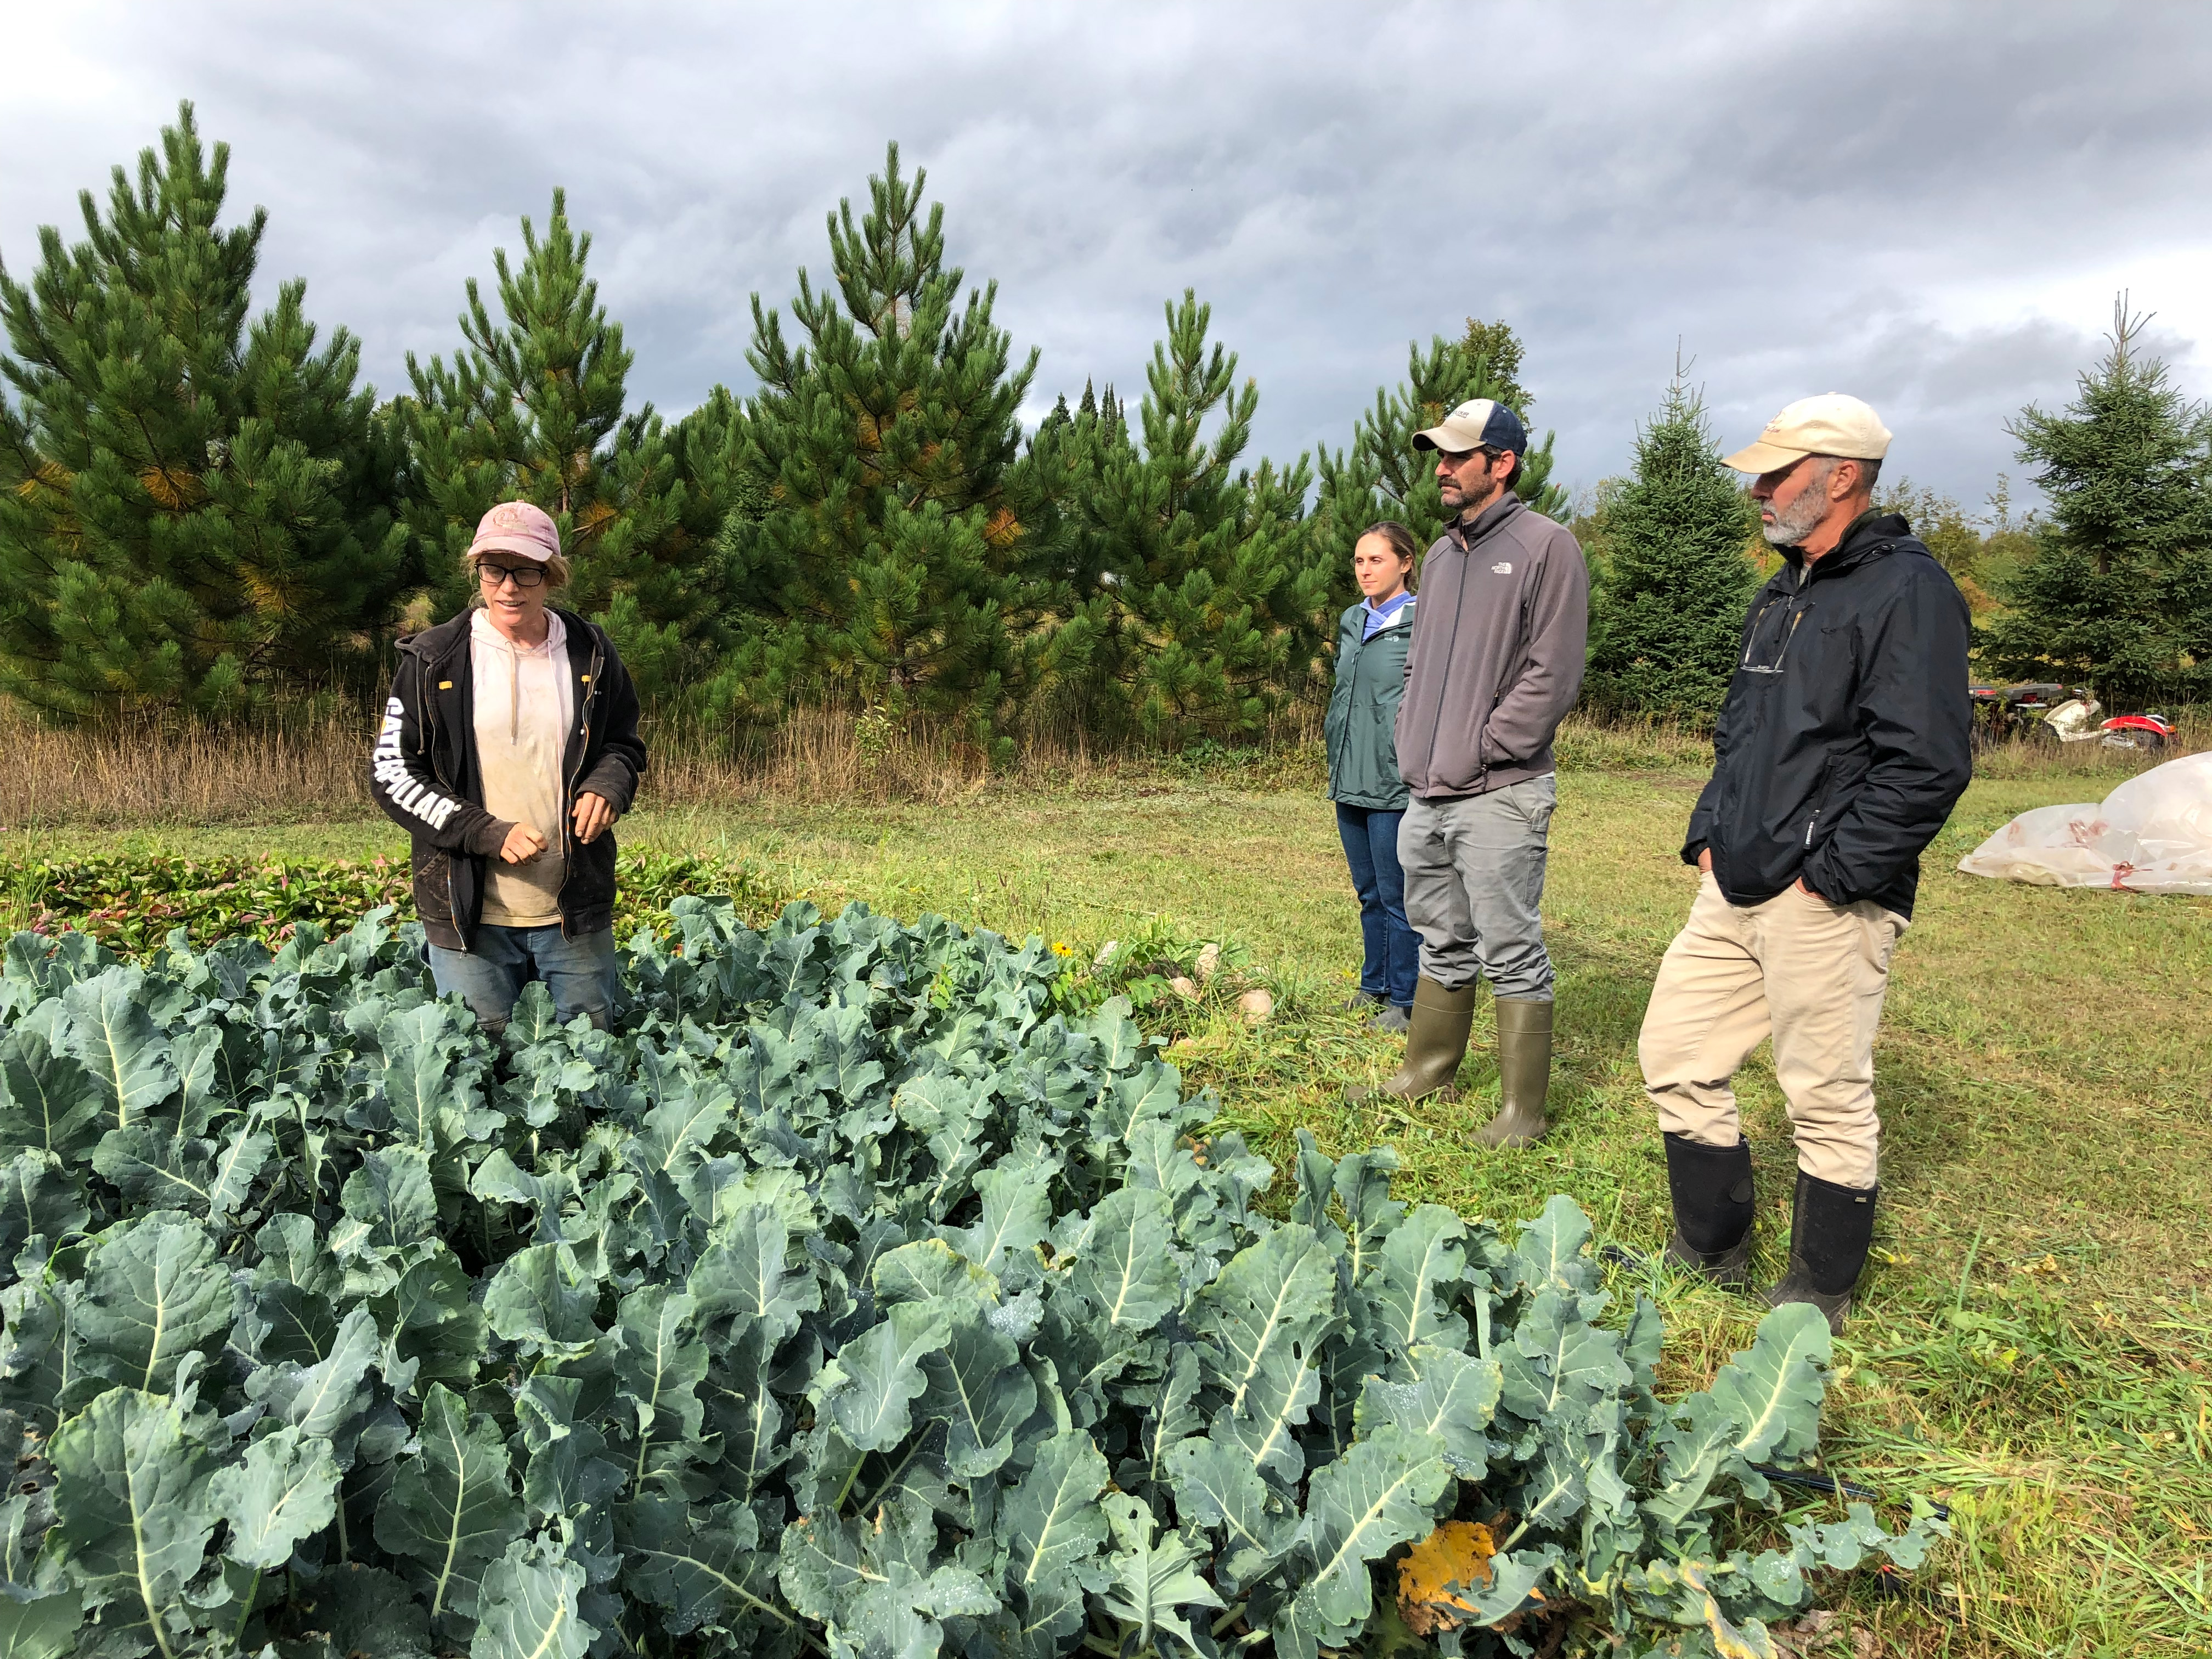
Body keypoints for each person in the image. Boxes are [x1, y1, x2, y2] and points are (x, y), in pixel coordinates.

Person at [1638, 394, 1971, 1331]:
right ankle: (1708, 1249)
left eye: (1776, 473)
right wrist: (1709, 831)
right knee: (1674, 1052)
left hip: (1823, 896)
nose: (1757, 489)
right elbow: (1739, 731)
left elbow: (1928, 762)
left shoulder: (1907, 590)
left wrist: (1828, 874)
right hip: (1733, 879)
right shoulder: (1784, 589)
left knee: (1822, 1091)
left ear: (1841, 478)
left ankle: (1815, 1293)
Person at [1351, 399, 1589, 1149]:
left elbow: (1553, 674)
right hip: (1425, 789)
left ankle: (1523, 1113)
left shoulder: (1549, 548)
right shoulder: (1446, 553)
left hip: (1500, 791)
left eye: (1458, 455)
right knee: (1439, 935)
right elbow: (1420, 661)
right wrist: (1411, 739)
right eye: (1439, 455)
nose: (1443, 468)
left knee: (1509, 946)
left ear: (1503, 463)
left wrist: (1485, 747)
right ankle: (1429, 1067)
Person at [369, 500, 647, 1035]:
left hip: (573, 914)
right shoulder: (433, 661)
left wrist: (608, 786)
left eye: (526, 571)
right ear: (478, 573)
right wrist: (484, 832)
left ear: (552, 575)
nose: (509, 587)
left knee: (585, 1067)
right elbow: (392, 772)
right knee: (480, 1071)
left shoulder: (591, 654)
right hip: (472, 919)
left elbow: (623, 743)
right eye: (494, 569)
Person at [1325, 522, 1422, 1032]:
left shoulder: (1422, 620)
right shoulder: (1350, 620)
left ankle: (1407, 1000)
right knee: (1367, 892)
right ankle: (1375, 986)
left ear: (1405, 562)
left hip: (1393, 779)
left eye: (1376, 560)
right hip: (1349, 772)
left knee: (1398, 893)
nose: (1365, 570)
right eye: (1359, 561)